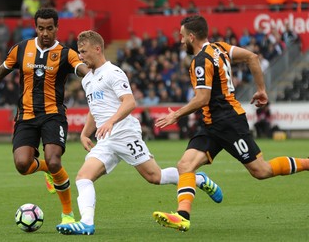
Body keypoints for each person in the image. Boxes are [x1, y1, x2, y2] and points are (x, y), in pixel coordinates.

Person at [55, 30, 223, 235]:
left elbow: (130, 102)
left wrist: (111, 121)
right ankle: (87, 223)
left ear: (97, 49)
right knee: (83, 177)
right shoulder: (87, 79)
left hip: (124, 133)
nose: (80, 56)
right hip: (106, 139)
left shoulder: (113, 72)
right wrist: (84, 133)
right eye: (78, 52)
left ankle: (198, 179)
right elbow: (94, 108)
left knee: (155, 176)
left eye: (83, 51)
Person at [152, 15, 309, 232]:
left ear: (191, 36)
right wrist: (261, 90)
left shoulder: (201, 60)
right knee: (185, 165)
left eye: (181, 37)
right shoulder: (220, 48)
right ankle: (182, 216)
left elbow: (202, 99)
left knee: (261, 171)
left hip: (228, 123)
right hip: (211, 124)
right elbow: (252, 57)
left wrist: (176, 115)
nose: (180, 42)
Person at [0, 8, 89, 227]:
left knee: (55, 161)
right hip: (26, 116)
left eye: (49, 28)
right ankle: (45, 170)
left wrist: (93, 70)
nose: (45, 33)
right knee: (22, 165)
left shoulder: (66, 53)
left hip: (53, 115)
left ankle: (68, 214)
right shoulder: (21, 49)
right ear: (36, 28)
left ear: (57, 28)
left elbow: (82, 68)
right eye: (41, 28)